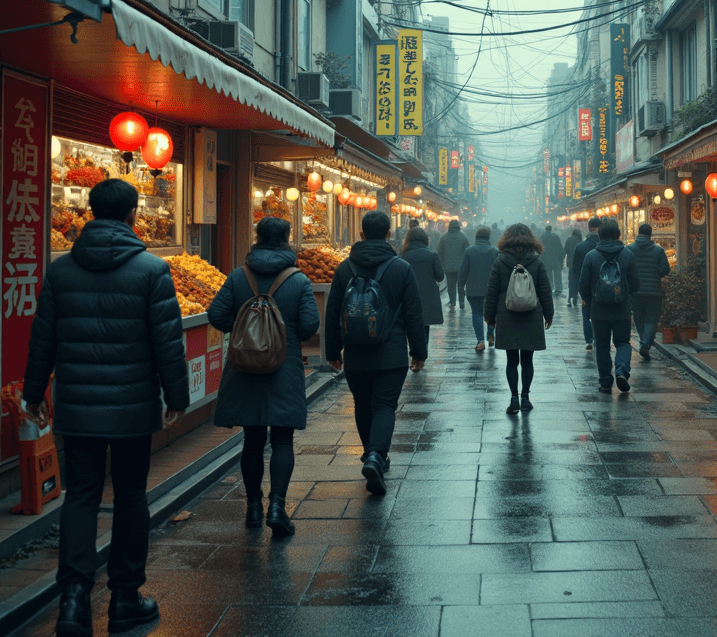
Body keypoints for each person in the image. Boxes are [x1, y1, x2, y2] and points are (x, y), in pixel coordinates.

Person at [22, 177, 189, 637]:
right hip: (133, 407)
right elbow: (167, 343)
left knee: (81, 497)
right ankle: (124, 599)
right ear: (134, 214)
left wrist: (32, 395)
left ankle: (74, 601)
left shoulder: (60, 270)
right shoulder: (152, 269)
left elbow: (43, 339)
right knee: (131, 495)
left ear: (91, 213)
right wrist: (177, 399)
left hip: (77, 407)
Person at [207, 216, 319, 538]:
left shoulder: (238, 276)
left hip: (244, 369)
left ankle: (253, 507)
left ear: (256, 238)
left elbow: (216, 314)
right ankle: (277, 506)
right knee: (283, 439)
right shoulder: (298, 280)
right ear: (287, 239)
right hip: (284, 369)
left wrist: (245, 333)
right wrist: (285, 333)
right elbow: (311, 324)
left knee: (253, 440)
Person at [325, 210, 427, 495]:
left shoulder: (345, 268)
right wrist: (419, 351)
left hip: (356, 353)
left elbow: (333, 312)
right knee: (384, 405)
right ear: (388, 234)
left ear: (361, 234)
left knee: (362, 404)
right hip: (391, 352)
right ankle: (376, 455)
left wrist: (332, 350)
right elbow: (413, 314)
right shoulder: (401, 268)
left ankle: (373, 452)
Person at [484, 223, 554, 414]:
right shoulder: (537, 262)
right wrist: (549, 314)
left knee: (511, 360)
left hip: (507, 315)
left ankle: (513, 398)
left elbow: (492, 291)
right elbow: (545, 291)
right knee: (528, 360)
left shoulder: (500, 261)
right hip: (532, 314)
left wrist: (489, 316)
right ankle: (525, 398)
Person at [578, 218, 641, 394]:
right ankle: (621, 371)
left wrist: (588, 301)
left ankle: (606, 382)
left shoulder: (591, 256)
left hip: (599, 311)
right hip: (622, 309)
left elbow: (583, 284)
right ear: (618, 235)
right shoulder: (628, 254)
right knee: (622, 342)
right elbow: (636, 283)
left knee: (602, 346)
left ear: (600, 235)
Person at [627, 223, 671, 359]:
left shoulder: (629, 249)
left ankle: (644, 342)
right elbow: (666, 269)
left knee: (639, 320)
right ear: (650, 234)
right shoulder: (658, 251)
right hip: (654, 292)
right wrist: (655, 273)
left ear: (638, 233)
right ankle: (646, 343)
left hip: (636, 292)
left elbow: (625, 269)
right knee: (651, 320)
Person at [457, 226, 500, 351]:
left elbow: (463, 270)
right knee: (492, 312)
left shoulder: (469, 251)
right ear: (488, 237)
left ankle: (480, 341)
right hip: (492, 289)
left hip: (473, 289)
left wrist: (460, 284)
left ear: (476, 237)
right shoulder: (495, 251)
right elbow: (499, 271)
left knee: (477, 313)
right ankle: (491, 335)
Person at [401, 226, 445, 344]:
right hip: (427, 296)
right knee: (424, 325)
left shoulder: (404, 256)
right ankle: (422, 355)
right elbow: (440, 276)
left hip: (408, 296)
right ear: (425, 239)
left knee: (409, 325)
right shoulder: (432, 255)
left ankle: (413, 351)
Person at [569, 216, 601, 346]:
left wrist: (580, 287)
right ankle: (600, 337)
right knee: (601, 314)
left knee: (586, 314)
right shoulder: (605, 246)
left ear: (588, 228)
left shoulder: (580, 246)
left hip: (586, 286)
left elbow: (575, 269)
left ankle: (589, 340)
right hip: (604, 285)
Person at [436, 219, 469, 307]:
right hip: (461, 267)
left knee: (451, 285)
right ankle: (461, 302)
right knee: (461, 284)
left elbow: (439, 252)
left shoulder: (443, 237)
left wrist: (442, 264)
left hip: (448, 266)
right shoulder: (463, 237)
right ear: (458, 227)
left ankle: (452, 301)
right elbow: (467, 252)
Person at [540, 225, 565, 298]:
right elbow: (560, 248)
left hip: (546, 259)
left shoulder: (542, 237)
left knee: (548, 275)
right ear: (551, 229)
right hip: (555, 258)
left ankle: (550, 288)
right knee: (557, 274)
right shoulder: (556, 236)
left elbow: (540, 248)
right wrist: (561, 258)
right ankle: (558, 289)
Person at [563, 227, 582, 306]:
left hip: (571, 263)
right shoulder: (580, 241)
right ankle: (575, 296)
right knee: (577, 280)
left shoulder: (569, 239)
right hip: (579, 263)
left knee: (571, 280)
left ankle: (569, 298)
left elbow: (565, 251)